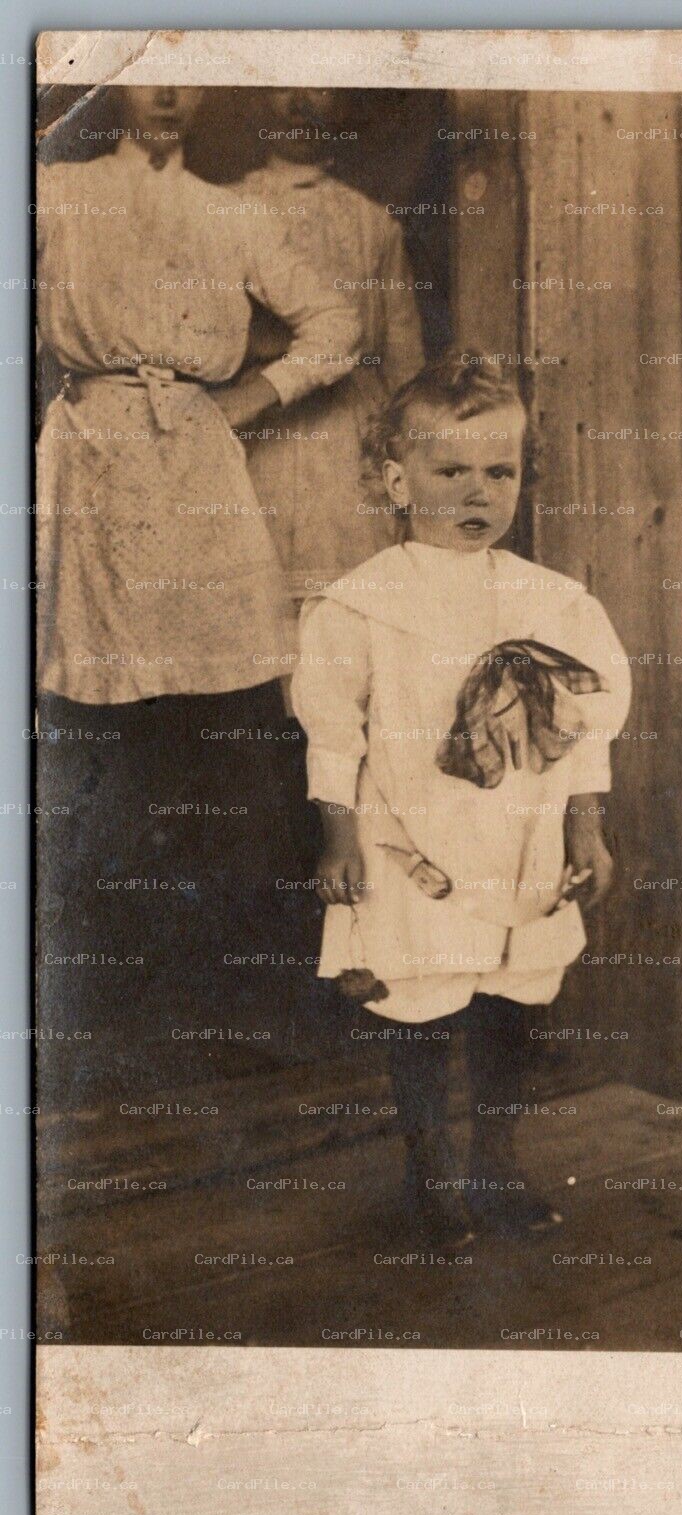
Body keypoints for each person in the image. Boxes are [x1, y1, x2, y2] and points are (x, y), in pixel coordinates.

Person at [35, 85, 362, 1032]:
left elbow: (336, 324)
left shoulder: (232, 213)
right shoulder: (55, 193)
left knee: (228, 717)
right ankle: (102, 1002)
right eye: (149, 69)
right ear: (115, 79)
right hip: (91, 461)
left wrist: (251, 397)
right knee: (96, 716)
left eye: (187, 72)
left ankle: (246, 994)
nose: (169, 94)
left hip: (197, 464)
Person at [291, 353, 631, 1248]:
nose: (478, 492)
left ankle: (497, 1159)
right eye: (450, 472)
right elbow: (334, 733)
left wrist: (586, 829)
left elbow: (583, 727)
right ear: (396, 481)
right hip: (410, 837)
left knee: (511, 996)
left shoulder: (552, 602)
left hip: (520, 837)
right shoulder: (360, 605)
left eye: (499, 471)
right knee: (419, 996)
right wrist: (338, 837)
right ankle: (429, 1166)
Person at [232, 88, 425, 620]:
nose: (298, 103)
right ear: (255, 100)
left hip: (348, 454)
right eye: (279, 85)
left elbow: (405, 369)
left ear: (342, 101)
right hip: (254, 437)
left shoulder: (373, 224)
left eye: (316, 86)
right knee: (258, 616)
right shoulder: (222, 208)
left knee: (350, 615)